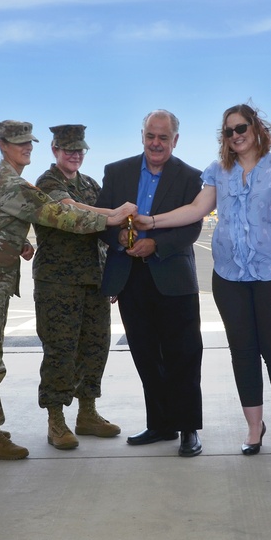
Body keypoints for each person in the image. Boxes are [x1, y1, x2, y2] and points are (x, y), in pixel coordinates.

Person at [0, 120, 136, 460]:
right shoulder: (18, 184)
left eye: (28, 142)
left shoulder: (19, 182)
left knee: (89, 347)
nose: (25, 147)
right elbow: (60, 214)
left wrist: (17, 240)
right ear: (2, 144)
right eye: (17, 142)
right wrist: (112, 216)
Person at [134, 104, 271, 455]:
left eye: (241, 127)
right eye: (228, 131)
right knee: (243, 353)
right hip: (228, 276)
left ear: (256, 128)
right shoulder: (218, 172)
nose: (236, 135)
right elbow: (195, 210)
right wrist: (150, 221)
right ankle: (254, 429)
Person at [95, 110, 205, 457]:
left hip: (172, 275)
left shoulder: (190, 177)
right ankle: (160, 424)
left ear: (175, 139)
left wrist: (156, 243)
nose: (155, 144)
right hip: (129, 275)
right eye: (150, 136)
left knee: (183, 354)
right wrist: (121, 243)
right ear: (142, 136)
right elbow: (102, 218)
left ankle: (188, 428)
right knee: (145, 353)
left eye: (163, 137)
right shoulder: (117, 172)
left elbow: (192, 227)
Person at [33, 124, 121, 450]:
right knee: (60, 352)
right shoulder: (47, 183)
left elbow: (106, 235)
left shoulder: (90, 184)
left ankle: (87, 412)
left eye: (80, 149)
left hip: (93, 281)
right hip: (57, 284)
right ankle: (56, 420)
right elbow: (72, 212)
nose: (75, 154)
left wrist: (114, 277)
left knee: (95, 347)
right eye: (68, 149)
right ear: (55, 150)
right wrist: (113, 214)